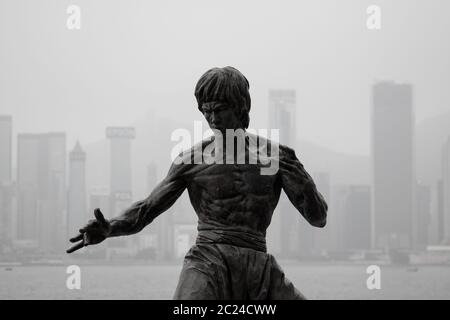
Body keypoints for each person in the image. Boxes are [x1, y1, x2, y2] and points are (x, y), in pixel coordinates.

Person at [67, 66, 328, 299]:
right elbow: (147, 209)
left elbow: (318, 218)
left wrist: (300, 177)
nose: (213, 119)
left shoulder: (277, 157)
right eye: (206, 111)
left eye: (220, 110)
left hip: (258, 263)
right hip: (207, 261)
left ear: (240, 107)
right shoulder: (191, 161)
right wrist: (110, 227)